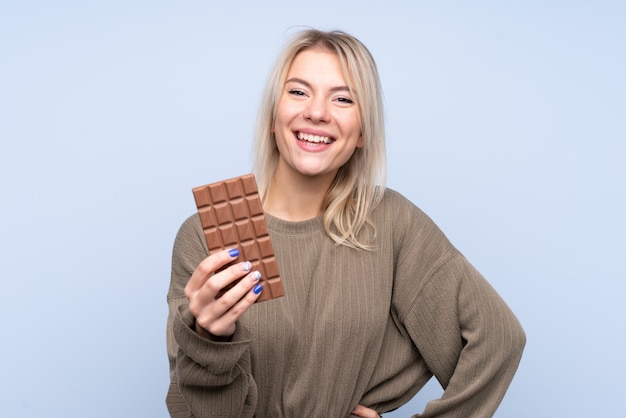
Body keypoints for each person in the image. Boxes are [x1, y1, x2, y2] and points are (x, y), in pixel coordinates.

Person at [165, 29, 526, 418]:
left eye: (342, 98)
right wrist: (207, 339)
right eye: (299, 92)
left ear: (363, 132)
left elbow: (499, 339)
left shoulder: (389, 221)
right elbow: (191, 411)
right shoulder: (208, 233)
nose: (317, 112)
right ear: (273, 115)